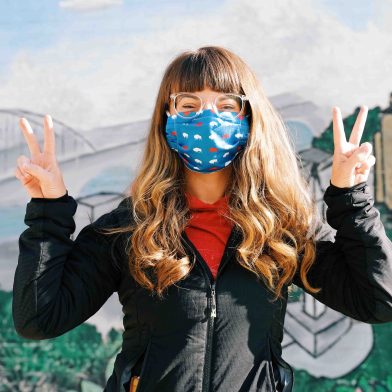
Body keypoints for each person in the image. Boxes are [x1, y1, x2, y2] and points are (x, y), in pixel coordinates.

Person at [12, 46, 392, 392]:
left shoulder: (280, 229)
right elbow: (40, 319)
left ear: (250, 117)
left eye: (226, 106)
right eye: (188, 106)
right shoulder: (129, 229)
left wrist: (351, 198)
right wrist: (49, 209)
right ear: (167, 118)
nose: (207, 119)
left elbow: (379, 301)